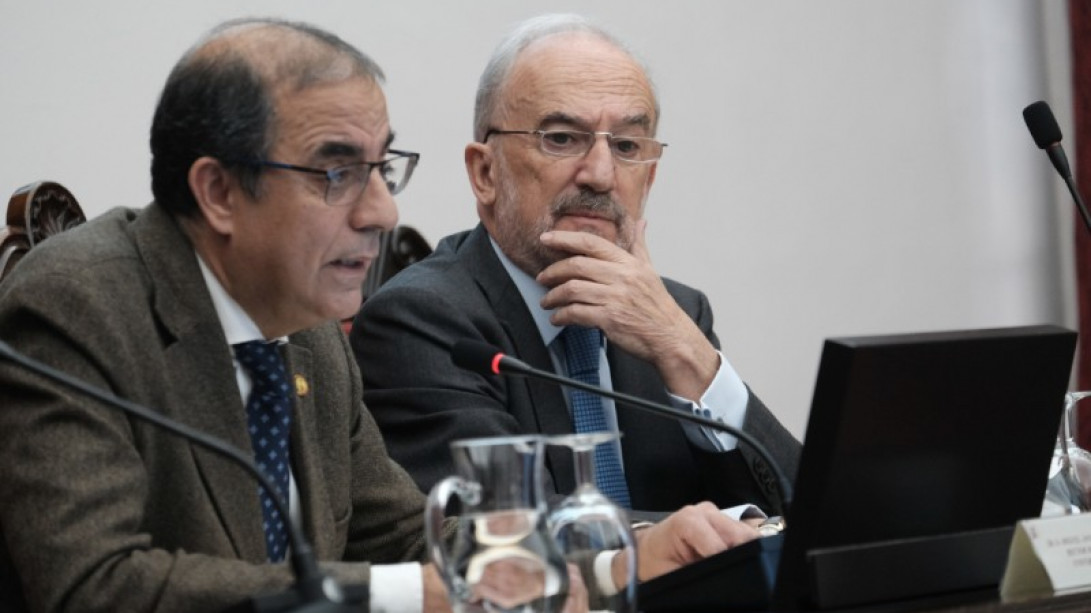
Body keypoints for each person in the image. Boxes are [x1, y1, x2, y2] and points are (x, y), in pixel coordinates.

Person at [0, 17, 762, 613]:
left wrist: (614, 562)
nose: (382, 210)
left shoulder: (308, 335)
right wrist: (414, 596)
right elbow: (96, 586)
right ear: (219, 192)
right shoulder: (78, 304)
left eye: (382, 166)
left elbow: (403, 533)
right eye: (337, 171)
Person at [351, 14, 802, 517]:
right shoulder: (422, 320)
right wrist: (724, 531)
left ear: (648, 181)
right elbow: (509, 536)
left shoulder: (678, 316)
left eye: (627, 146)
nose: (602, 175)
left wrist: (689, 354)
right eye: (562, 138)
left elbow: (813, 522)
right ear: (485, 173)